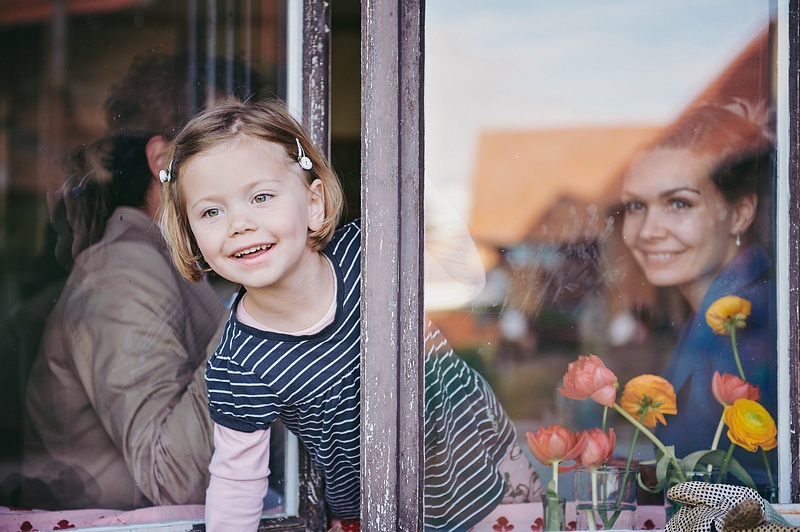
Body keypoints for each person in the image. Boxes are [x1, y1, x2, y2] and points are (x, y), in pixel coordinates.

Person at [158, 99, 541, 531]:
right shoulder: (238, 365)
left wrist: (420, 177)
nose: (239, 223)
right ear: (191, 236)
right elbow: (236, 480)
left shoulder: (371, 252)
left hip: (483, 466)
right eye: (211, 211)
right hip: (372, 511)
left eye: (261, 197)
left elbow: (463, 271)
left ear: (314, 203)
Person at [20, 53, 267, 511]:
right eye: (222, 145)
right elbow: (172, 477)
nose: (249, 167)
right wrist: (262, 306)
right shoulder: (122, 273)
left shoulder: (177, 265)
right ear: (161, 160)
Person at [619, 100, 776, 489]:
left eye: (678, 203)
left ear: (740, 213)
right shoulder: (712, 313)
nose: (647, 230)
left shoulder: (752, 326)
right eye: (636, 205)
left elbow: (752, 489)